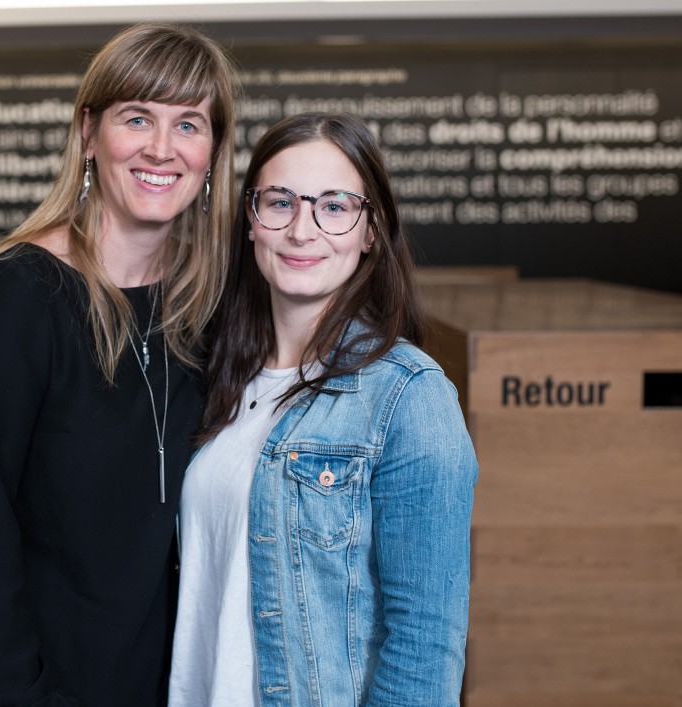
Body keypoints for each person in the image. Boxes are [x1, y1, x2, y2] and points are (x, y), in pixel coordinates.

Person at [0, 22, 238, 707]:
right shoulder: (15, 297)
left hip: (183, 679)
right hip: (46, 687)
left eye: (189, 124)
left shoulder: (211, 301)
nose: (162, 148)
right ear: (88, 133)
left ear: (213, 152)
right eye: (138, 118)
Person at [169, 112, 478, 706]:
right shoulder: (210, 377)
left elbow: (426, 645)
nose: (301, 230)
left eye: (334, 206)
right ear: (251, 222)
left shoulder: (410, 397)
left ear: (371, 231)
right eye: (280, 203)